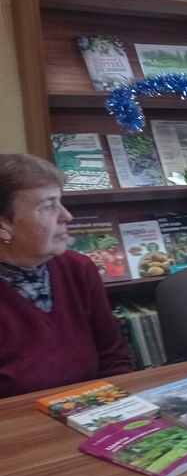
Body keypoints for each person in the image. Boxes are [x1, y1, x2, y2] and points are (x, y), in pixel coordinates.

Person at [0, 153, 131, 398]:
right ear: (2, 225)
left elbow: (114, 359)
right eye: (48, 206)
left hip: (94, 408)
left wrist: (114, 409)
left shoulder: (78, 268)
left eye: (60, 202)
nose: (66, 216)